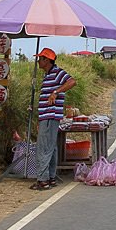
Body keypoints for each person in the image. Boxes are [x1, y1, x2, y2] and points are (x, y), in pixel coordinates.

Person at [32, 47, 76, 191]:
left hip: (50, 116)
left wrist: (55, 92)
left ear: (47, 60)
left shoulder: (57, 73)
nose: (38, 61)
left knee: (43, 148)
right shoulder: (49, 74)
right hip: (47, 116)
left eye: (41, 59)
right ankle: (50, 177)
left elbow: (72, 81)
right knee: (51, 147)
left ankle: (43, 180)